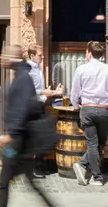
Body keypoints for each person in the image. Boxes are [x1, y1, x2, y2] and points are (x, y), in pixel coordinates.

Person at [0, 45, 56, 207]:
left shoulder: (22, 78)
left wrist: (10, 134)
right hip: (21, 139)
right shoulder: (19, 75)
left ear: (12, 58)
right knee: (29, 180)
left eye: (4, 54)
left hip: (17, 140)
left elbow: (22, 108)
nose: (1, 57)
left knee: (4, 180)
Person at [69, 40, 108, 187]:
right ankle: (96, 175)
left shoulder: (81, 69)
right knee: (99, 143)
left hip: (88, 108)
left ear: (89, 53)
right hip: (103, 109)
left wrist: (77, 105)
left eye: (86, 52)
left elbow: (75, 92)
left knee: (93, 143)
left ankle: (84, 166)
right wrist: (107, 102)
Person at [25, 45, 63, 177]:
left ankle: (37, 167)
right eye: (40, 55)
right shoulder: (29, 70)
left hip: (40, 105)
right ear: (31, 55)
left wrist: (52, 92)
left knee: (42, 137)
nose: (42, 57)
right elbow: (29, 91)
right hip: (31, 106)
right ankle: (34, 168)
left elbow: (41, 90)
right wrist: (48, 92)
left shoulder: (39, 69)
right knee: (39, 137)